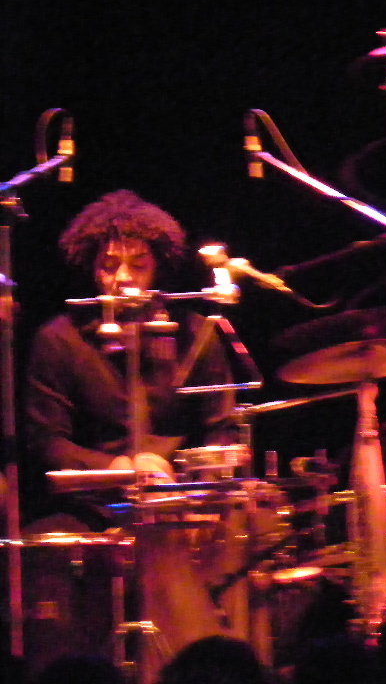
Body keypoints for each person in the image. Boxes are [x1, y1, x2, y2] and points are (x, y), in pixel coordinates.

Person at [23, 190, 243, 670]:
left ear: (158, 267)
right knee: (45, 549)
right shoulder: (58, 340)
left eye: (138, 265)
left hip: (180, 507)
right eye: (109, 266)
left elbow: (222, 431)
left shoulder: (196, 334)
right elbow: (47, 441)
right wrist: (119, 466)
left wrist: (200, 493)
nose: (123, 277)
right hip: (92, 508)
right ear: (91, 267)